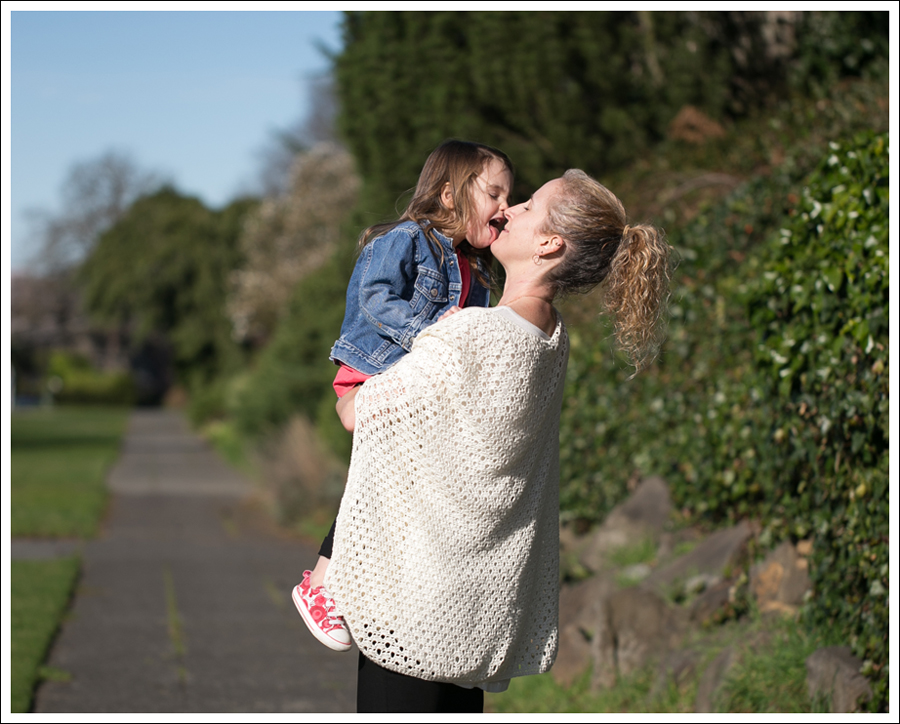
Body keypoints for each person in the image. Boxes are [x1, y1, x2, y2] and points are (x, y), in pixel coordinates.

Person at [324, 169, 673, 712]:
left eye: (528, 206)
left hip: (415, 600)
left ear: (548, 243)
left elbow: (359, 415)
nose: (507, 211)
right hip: (475, 608)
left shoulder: (472, 334)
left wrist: (359, 375)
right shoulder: (550, 338)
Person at [291, 140, 514, 653]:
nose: (505, 206)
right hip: (375, 370)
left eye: (510, 196)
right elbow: (373, 299)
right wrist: (436, 331)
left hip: (415, 385)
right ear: (450, 194)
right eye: (495, 193)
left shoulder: (476, 270)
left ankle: (355, 583)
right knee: (384, 475)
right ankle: (321, 583)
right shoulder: (408, 239)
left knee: (395, 485)